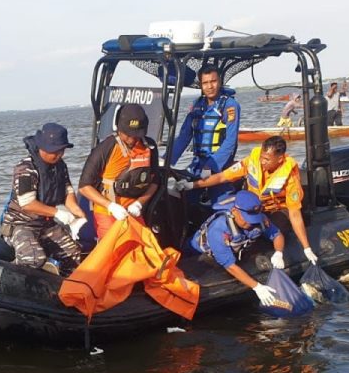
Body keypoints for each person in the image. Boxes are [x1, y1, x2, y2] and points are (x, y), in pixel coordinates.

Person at [175, 135, 319, 265]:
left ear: (280, 159)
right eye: (262, 157)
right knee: (230, 219)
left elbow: (295, 214)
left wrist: (306, 248)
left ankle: (265, 254)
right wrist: (193, 185)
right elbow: (222, 177)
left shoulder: (290, 177)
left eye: (267, 159)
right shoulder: (252, 161)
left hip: (277, 209)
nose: (263, 161)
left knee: (267, 228)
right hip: (254, 206)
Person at [1, 123, 85, 274]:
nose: (59, 155)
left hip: (45, 224)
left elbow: (68, 191)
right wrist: (57, 213)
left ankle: (61, 286)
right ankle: (13, 276)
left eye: (62, 151)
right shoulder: (26, 168)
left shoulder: (60, 166)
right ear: (42, 147)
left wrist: (76, 213)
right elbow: (28, 203)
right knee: (33, 259)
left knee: (73, 252)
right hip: (21, 224)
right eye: (55, 151)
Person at [189, 190, 284, 307]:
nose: (251, 223)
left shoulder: (260, 219)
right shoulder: (218, 230)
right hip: (196, 252)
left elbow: (277, 235)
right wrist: (257, 287)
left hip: (238, 248)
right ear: (235, 211)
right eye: (247, 219)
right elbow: (230, 266)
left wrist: (279, 252)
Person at [78, 103, 159, 240]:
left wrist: (140, 203)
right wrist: (111, 206)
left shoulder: (149, 146)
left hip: (134, 212)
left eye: (136, 135)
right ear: (119, 129)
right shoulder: (105, 148)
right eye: (128, 135)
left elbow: (155, 181)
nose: (132, 139)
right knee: (113, 252)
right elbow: (84, 187)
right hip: (108, 213)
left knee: (142, 249)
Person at [169, 63, 241, 204]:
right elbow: (184, 136)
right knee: (186, 202)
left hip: (220, 166)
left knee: (221, 206)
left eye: (213, 81)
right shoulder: (197, 105)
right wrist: (166, 161)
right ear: (201, 85)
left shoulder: (230, 106)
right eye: (205, 83)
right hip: (197, 164)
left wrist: (211, 165)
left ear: (219, 81)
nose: (210, 86)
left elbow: (231, 141)